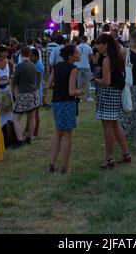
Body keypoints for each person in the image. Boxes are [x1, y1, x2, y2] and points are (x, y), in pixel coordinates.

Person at [92, 33, 131, 168]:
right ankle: (126, 153)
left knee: (108, 127)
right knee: (115, 125)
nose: (97, 47)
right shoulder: (118, 57)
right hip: (115, 93)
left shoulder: (107, 60)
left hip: (107, 94)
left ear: (105, 45)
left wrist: (95, 80)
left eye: (99, 44)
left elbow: (106, 81)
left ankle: (109, 158)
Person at [48, 44, 83, 174]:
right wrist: (80, 91)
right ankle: (65, 167)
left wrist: (59, 85)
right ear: (71, 56)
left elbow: (48, 85)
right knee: (67, 135)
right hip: (67, 103)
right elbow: (71, 91)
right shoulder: (73, 69)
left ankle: (52, 164)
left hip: (56, 102)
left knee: (58, 133)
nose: (79, 55)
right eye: (77, 53)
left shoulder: (56, 67)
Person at [12, 46, 40, 146]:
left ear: (21, 54)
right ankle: (30, 137)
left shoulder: (19, 66)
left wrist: (16, 96)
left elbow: (15, 83)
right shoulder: (33, 65)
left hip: (23, 94)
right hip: (34, 93)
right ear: (29, 54)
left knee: (16, 118)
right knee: (32, 117)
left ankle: (20, 139)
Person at [0, 45, 14, 127]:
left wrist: (10, 77)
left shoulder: (9, 62)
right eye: (5, 52)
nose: (7, 53)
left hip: (7, 89)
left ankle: (8, 130)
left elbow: (13, 72)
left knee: (8, 111)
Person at [76, 37, 94, 103]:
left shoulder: (77, 47)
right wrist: (87, 61)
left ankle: (78, 98)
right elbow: (91, 57)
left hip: (78, 66)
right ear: (86, 40)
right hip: (86, 66)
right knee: (87, 82)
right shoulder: (89, 47)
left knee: (79, 82)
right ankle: (88, 97)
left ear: (81, 40)